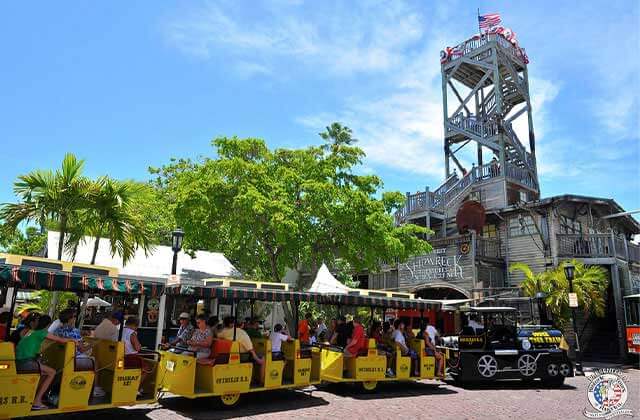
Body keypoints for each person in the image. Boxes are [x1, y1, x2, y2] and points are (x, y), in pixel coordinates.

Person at [16, 315, 74, 410]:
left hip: (20, 361)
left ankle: (36, 396)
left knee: (44, 374)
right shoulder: (41, 332)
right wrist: (74, 340)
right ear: (48, 325)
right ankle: (37, 401)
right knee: (52, 372)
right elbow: (61, 340)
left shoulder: (31, 332)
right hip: (26, 362)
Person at [53, 309, 106, 397]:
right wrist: (93, 344)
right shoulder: (74, 331)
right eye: (74, 317)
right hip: (73, 358)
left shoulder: (57, 331)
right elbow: (82, 349)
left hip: (61, 357)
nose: (74, 319)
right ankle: (95, 388)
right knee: (95, 362)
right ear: (69, 319)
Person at [217, 316, 264, 383]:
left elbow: (217, 335)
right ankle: (261, 380)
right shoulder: (241, 332)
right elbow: (249, 347)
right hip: (241, 356)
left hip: (224, 355)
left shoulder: (223, 332)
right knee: (262, 358)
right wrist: (257, 358)